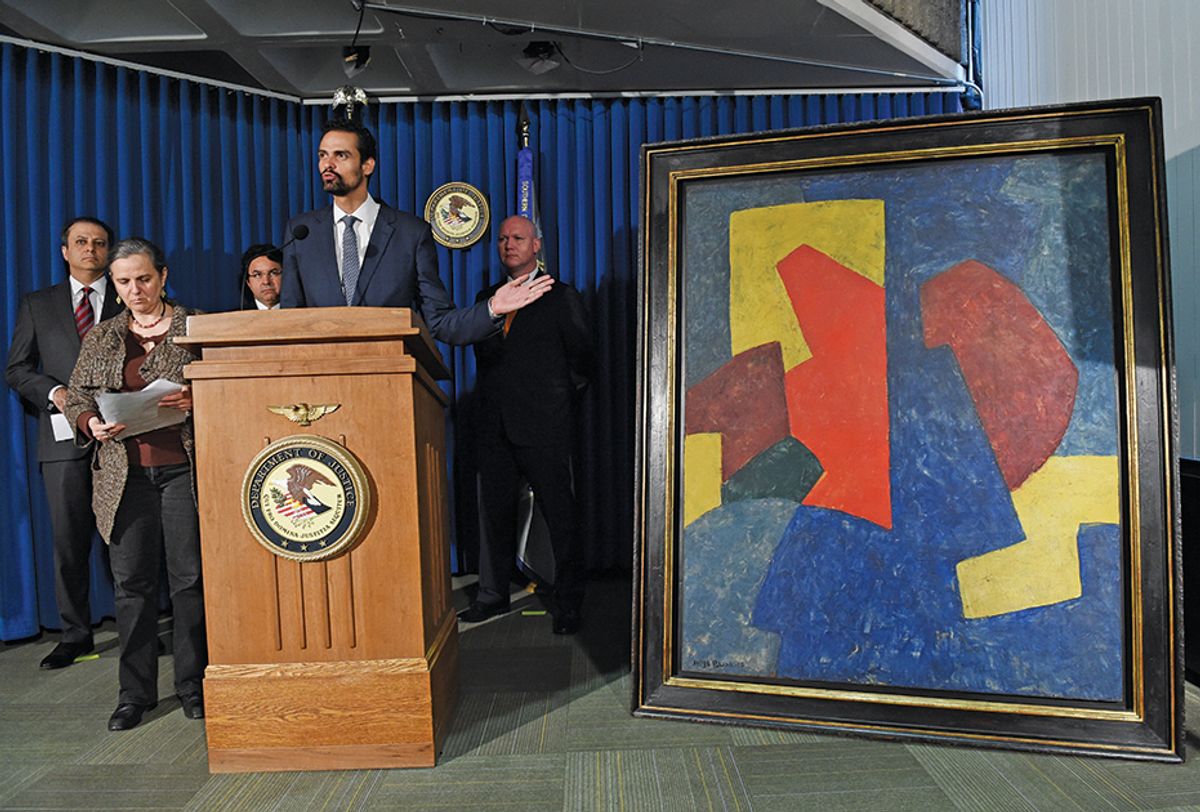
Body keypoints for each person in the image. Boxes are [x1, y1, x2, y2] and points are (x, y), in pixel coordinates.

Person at [63, 238, 206, 731]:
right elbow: (76, 393)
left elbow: (231, 384)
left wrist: (198, 399)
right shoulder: (102, 336)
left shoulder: (197, 326)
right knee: (132, 587)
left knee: (188, 581)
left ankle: (193, 685)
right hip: (125, 478)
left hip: (184, 471)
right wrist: (88, 422)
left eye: (143, 279)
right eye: (124, 282)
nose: (135, 290)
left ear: (163, 276)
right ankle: (135, 694)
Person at [280, 118, 550, 344]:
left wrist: (492, 309)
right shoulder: (301, 233)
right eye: (322, 155)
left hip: (387, 380)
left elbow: (439, 322)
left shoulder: (410, 234)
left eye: (341, 155)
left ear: (367, 165)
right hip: (318, 384)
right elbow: (288, 323)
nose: (328, 164)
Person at [459, 216, 592, 634]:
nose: (507, 244)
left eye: (517, 238)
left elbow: (583, 362)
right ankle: (492, 596)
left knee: (560, 517)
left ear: (536, 244)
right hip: (494, 428)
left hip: (544, 428)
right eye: (501, 239)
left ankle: (568, 603)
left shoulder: (561, 296)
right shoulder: (488, 298)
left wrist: (556, 405)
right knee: (494, 516)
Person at [5, 216, 121, 669]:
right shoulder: (39, 304)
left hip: (120, 436)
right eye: (81, 242)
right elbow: (17, 369)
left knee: (127, 539)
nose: (90, 249)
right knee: (69, 541)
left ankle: (138, 628)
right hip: (61, 439)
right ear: (64, 251)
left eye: (99, 243)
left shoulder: (128, 296)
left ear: (109, 251)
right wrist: (55, 392)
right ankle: (75, 634)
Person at [240, 243, 283, 310]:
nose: (266, 281)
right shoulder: (233, 318)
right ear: (248, 283)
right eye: (257, 275)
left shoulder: (303, 313)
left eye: (273, 273)